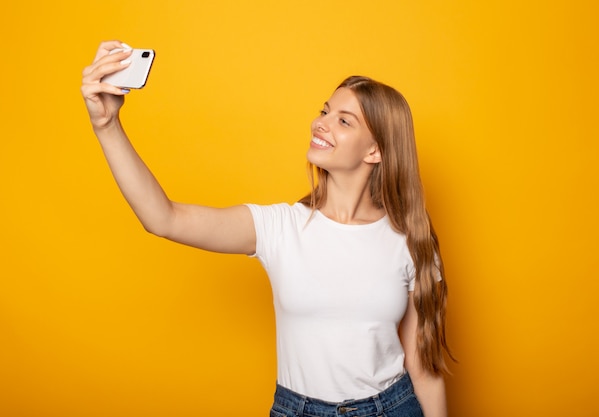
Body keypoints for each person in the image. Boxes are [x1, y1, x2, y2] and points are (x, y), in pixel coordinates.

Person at [81, 40, 454, 417]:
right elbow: (163, 218)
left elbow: (424, 371)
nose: (320, 123)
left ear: (374, 151)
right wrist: (107, 124)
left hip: (391, 408)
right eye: (324, 111)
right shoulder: (280, 227)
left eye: (344, 120)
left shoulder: (409, 242)